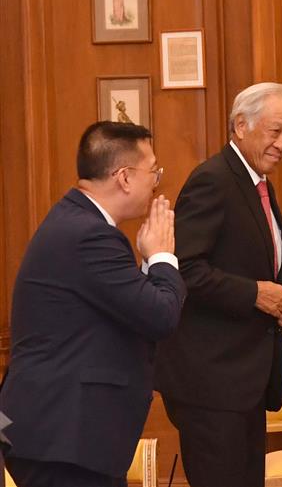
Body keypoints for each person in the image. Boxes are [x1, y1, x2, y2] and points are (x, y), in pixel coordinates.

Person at [0, 121, 185, 487]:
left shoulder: (79, 223)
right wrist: (163, 256)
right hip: (63, 436)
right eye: (154, 171)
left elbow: (131, 310)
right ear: (125, 177)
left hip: (64, 434)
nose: (156, 182)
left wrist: (150, 262)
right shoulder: (89, 234)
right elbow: (161, 315)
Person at [154, 83, 282, 487]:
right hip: (210, 380)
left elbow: (250, 262)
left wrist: (279, 294)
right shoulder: (213, 179)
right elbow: (183, 269)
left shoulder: (260, 184)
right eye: (274, 131)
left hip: (243, 378)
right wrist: (257, 294)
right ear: (241, 125)